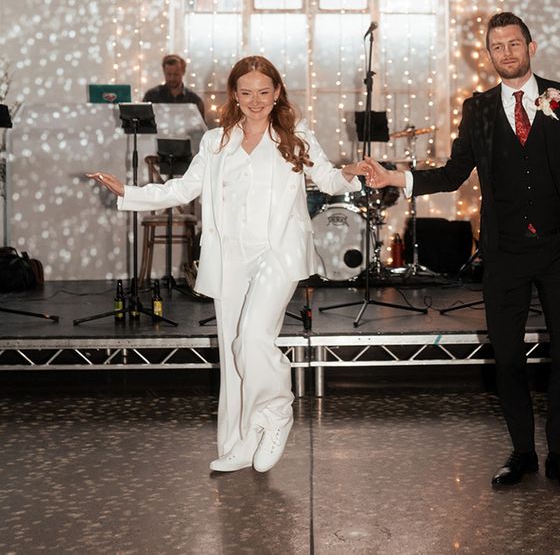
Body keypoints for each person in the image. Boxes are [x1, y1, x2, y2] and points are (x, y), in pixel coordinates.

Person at [364, 12, 560, 492]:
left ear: (530, 48)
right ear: (489, 54)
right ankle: (522, 452)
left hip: (559, 247)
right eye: (498, 47)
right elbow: (453, 174)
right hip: (506, 250)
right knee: (508, 358)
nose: (507, 53)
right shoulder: (479, 111)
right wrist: (397, 178)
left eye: (515, 44)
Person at [89, 55, 367, 473]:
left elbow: (327, 179)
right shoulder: (216, 141)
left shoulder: (295, 135)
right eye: (246, 92)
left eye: (264, 92)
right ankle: (239, 441)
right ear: (234, 95)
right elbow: (183, 189)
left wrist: (349, 172)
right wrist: (127, 191)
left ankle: (275, 412)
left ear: (277, 93)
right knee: (233, 348)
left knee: (253, 337)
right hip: (231, 255)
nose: (255, 101)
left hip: (279, 251)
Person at [143, 54, 206, 120]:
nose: (172, 78)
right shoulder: (151, 96)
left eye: (176, 74)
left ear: (183, 72)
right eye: (169, 74)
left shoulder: (194, 100)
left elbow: (201, 128)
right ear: (164, 72)